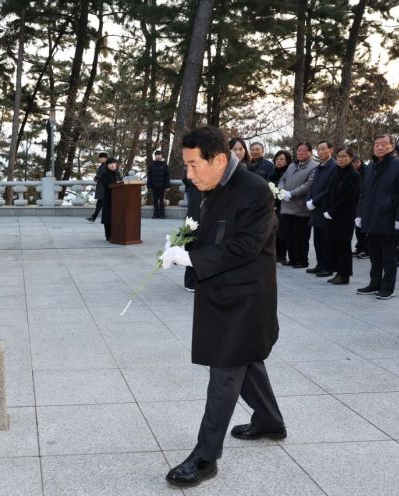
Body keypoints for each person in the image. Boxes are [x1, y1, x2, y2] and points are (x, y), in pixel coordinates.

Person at [162, 126, 284, 488]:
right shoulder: (209, 184)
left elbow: (246, 246)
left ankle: (205, 457)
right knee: (248, 360)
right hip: (221, 291)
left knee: (227, 371)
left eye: (193, 164)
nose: (189, 173)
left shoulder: (255, 190)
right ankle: (270, 421)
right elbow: (211, 231)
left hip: (246, 297)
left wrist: (191, 259)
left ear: (219, 159)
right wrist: (183, 245)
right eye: (185, 165)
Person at [355, 134, 399, 300]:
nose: (379, 147)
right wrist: (359, 213)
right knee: (374, 254)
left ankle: (388, 287)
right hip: (371, 216)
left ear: (392, 147)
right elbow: (364, 193)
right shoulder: (371, 166)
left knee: (389, 255)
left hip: (389, 216)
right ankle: (374, 284)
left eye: (383, 144)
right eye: (376, 144)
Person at [322, 147, 361, 285]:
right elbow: (329, 191)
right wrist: (327, 209)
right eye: (339, 156)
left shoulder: (353, 175)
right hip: (332, 215)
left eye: (344, 156)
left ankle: (345, 275)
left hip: (344, 216)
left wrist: (332, 211)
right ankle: (338, 272)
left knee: (343, 245)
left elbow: (347, 197)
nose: (341, 159)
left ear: (350, 158)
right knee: (334, 244)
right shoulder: (336, 171)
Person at [278, 142, 318, 268]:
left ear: (310, 152)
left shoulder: (314, 166)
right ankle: (293, 259)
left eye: (303, 151)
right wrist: (281, 190)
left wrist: (292, 193)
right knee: (289, 235)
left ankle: (302, 260)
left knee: (301, 236)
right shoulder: (292, 165)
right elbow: (282, 179)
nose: (300, 153)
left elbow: (309, 184)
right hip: (287, 206)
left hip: (301, 207)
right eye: (298, 150)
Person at [305, 141, 337, 277]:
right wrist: (309, 200)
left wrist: (315, 201)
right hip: (316, 208)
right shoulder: (319, 167)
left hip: (325, 208)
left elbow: (330, 189)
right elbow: (313, 186)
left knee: (327, 239)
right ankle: (320, 264)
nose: (321, 152)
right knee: (318, 239)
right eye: (318, 149)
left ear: (331, 150)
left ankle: (328, 266)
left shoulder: (334, 167)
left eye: (323, 149)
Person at [270, 150, 292, 264]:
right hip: (271, 205)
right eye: (277, 159)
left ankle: (282, 255)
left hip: (283, 205)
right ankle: (275, 254)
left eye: (282, 159)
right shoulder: (273, 173)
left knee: (282, 232)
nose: (279, 161)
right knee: (273, 231)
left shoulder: (288, 172)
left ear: (287, 160)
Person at [99, 157, 123, 241]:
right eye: (110, 164)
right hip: (108, 198)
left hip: (118, 198)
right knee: (108, 217)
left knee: (116, 216)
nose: (112, 165)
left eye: (114, 163)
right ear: (107, 165)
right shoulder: (104, 174)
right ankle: (108, 235)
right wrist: (117, 183)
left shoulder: (118, 173)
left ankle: (116, 233)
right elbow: (107, 185)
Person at [351, 157, 369, 259]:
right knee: (358, 228)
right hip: (356, 202)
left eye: (354, 163)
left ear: (358, 162)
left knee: (363, 228)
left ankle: (366, 250)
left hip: (363, 202)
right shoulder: (355, 170)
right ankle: (359, 247)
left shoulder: (365, 171)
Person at [147, 150, 171, 219]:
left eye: (159, 154)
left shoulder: (164, 165)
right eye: (157, 155)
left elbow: (167, 176)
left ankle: (162, 214)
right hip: (154, 186)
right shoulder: (151, 165)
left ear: (161, 156)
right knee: (154, 200)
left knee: (161, 200)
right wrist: (149, 185)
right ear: (155, 156)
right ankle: (155, 214)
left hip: (162, 186)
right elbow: (149, 176)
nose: (158, 156)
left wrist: (168, 186)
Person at [87, 152, 109, 222]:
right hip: (102, 187)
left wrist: (96, 177)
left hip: (104, 187)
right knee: (100, 203)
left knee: (102, 204)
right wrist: (96, 177)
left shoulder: (105, 165)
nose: (99, 159)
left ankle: (95, 217)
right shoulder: (103, 165)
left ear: (103, 158)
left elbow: (103, 175)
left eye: (100, 158)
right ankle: (93, 217)